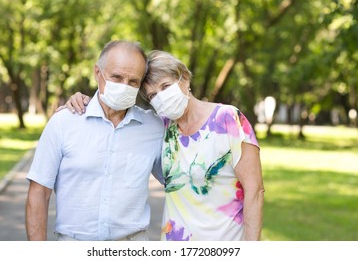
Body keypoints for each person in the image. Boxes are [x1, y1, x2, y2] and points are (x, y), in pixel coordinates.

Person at [66, 50, 265, 241]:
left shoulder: (228, 119)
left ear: (185, 78)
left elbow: (255, 191)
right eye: (152, 96)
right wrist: (80, 103)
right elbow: (116, 117)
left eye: (165, 86)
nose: (160, 97)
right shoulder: (160, 127)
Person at [25, 41, 165, 241]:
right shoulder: (64, 122)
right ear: (98, 73)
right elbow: (39, 193)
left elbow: (178, 182)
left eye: (133, 81)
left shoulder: (154, 128)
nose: (124, 86)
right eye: (116, 77)